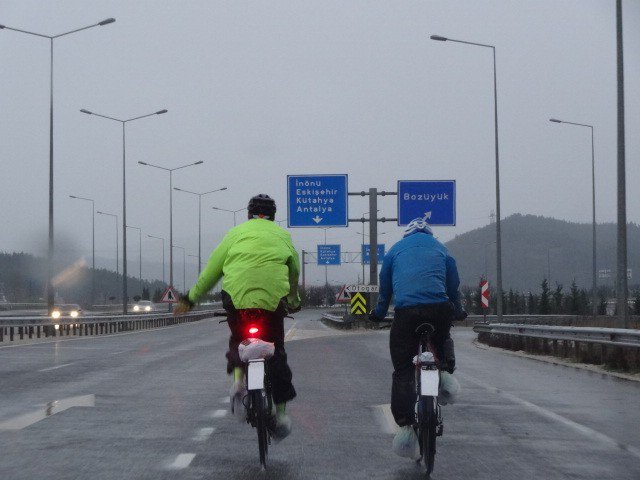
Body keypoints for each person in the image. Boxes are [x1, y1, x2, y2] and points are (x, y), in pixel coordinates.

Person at [175, 194, 301, 440]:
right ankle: (282, 414)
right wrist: (293, 300)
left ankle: (237, 383)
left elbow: (212, 271)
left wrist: (190, 299)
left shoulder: (234, 234)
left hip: (238, 301)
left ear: (249, 214)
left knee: (238, 341)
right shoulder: (282, 236)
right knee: (276, 352)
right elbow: (294, 270)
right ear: (273, 216)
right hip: (272, 302)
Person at [369, 216, 464, 459]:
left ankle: (405, 425)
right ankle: (443, 371)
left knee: (402, 369)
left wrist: (379, 313)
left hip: (407, 313)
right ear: (429, 234)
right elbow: (453, 285)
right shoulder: (442, 249)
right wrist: (457, 307)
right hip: (439, 310)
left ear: (407, 235)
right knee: (442, 343)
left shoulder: (394, 251)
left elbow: (386, 288)